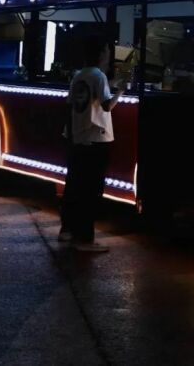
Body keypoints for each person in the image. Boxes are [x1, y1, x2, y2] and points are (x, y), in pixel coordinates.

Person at [59, 38, 120, 252]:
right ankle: (85, 238)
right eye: (107, 50)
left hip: (78, 139)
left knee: (75, 186)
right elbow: (107, 105)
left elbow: (70, 107)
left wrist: (70, 136)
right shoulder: (99, 76)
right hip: (96, 139)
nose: (109, 55)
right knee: (91, 190)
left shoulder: (80, 75)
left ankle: (67, 230)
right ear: (101, 53)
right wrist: (121, 90)